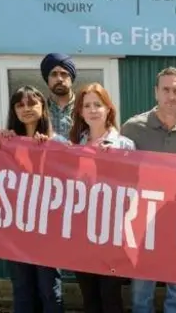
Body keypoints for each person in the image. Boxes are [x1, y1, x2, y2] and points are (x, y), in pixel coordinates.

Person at [120, 66, 176, 313]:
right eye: (166, 90)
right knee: (140, 295)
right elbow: (117, 172)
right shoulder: (132, 128)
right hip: (141, 223)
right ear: (155, 93)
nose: (171, 95)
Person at [0, 85, 65, 313]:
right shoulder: (6, 142)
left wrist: (49, 149)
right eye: (20, 104)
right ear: (14, 110)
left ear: (43, 107)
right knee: (22, 289)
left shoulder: (59, 143)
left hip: (49, 230)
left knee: (50, 289)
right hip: (17, 230)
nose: (26, 109)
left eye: (32, 103)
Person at [67, 83, 134, 313]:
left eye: (98, 104)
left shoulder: (124, 145)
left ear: (108, 109)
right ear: (80, 111)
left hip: (112, 236)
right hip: (80, 235)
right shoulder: (73, 144)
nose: (93, 110)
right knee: (90, 299)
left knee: (111, 297)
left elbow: (134, 190)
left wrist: (116, 164)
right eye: (87, 105)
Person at [40, 53, 77, 138]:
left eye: (64, 74)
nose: (59, 79)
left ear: (71, 78)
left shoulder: (85, 107)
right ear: (47, 79)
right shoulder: (40, 110)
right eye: (54, 74)